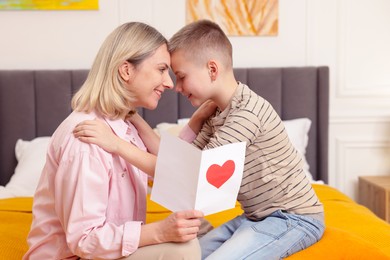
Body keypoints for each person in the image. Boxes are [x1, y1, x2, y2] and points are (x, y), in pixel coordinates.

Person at [74, 20, 325, 260]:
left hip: (293, 219)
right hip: (256, 217)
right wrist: (134, 118)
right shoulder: (216, 112)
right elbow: (178, 162)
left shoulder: (246, 114)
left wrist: (117, 145)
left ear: (212, 69)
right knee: (186, 256)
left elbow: (190, 173)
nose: (176, 86)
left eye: (181, 76)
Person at [23, 22, 204, 260]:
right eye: (161, 69)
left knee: (204, 234)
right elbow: (84, 240)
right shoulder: (86, 138)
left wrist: (137, 120)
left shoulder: (125, 128)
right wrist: (159, 232)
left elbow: (174, 172)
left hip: (104, 253)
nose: (169, 83)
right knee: (185, 251)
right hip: (76, 256)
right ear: (126, 70)